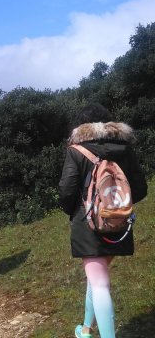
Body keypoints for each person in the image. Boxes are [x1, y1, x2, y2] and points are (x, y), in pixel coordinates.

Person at [59, 103, 147, 338]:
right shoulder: (124, 148)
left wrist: (75, 212)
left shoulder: (76, 150)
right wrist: (116, 205)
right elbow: (140, 188)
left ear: (82, 125)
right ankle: (86, 329)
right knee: (97, 277)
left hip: (88, 225)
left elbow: (66, 190)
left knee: (99, 284)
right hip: (118, 223)